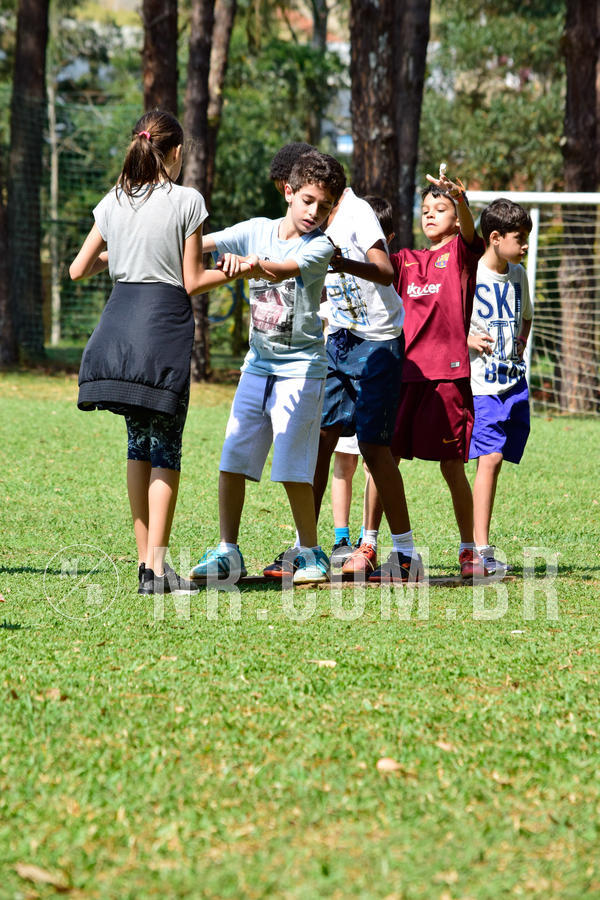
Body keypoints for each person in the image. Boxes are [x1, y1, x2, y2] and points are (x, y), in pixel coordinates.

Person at [70, 110, 261, 596]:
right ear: (175, 153)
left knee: (137, 445)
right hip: (162, 332)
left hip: (118, 329)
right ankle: (158, 571)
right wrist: (241, 270)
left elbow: (78, 269)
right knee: (166, 450)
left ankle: (144, 567)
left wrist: (128, 253)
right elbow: (193, 280)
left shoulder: (115, 199)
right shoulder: (187, 201)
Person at [189, 150, 347, 585]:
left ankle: (311, 553)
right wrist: (141, 244)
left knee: (293, 467)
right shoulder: (256, 230)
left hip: (302, 370)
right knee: (232, 458)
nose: (315, 212)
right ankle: (227, 552)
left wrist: (249, 265)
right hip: (257, 366)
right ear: (288, 191)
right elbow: (202, 243)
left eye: (325, 205)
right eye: (309, 200)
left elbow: (280, 270)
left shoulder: (320, 247)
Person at [308, 183, 420, 583]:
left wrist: (342, 263)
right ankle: (308, 549)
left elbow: (386, 272)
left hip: (378, 342)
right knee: (320, 438)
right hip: (340, 338)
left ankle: (405, 554)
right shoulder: (312, 218)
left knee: (374, 447)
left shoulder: (356, 213)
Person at [380, 168, 486, 580]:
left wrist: (460, 199)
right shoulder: (406, 260)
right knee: (384, 459)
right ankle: (371, 544)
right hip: (405, 376)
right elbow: (373, 266)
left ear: (455, 217)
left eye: (439, 209)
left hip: (447, 378)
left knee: (451, 467)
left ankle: (468, 549)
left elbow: (473, 235)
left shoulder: (460, 253)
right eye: (425, 209)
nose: (430, 214)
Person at [327, 195, 397, 570]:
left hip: (375, 354)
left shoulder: (380, 266)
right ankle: (334, 540)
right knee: (337, 454)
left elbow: (384, 273)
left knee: (374, 455)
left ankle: (379, 544)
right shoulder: (325, 228)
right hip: (340, 349)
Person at [467, 198, 533, 574]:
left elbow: (525, 318)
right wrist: (466, 340)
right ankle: (480, 548)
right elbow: (447, 322)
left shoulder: (519, 274)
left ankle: (479, 544)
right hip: (482, 386)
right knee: (489, 459)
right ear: (495, 238)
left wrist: (521, 343)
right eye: (519, 238)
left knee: (500, 459)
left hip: (514, 384)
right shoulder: (471, 273)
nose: (525, 246)